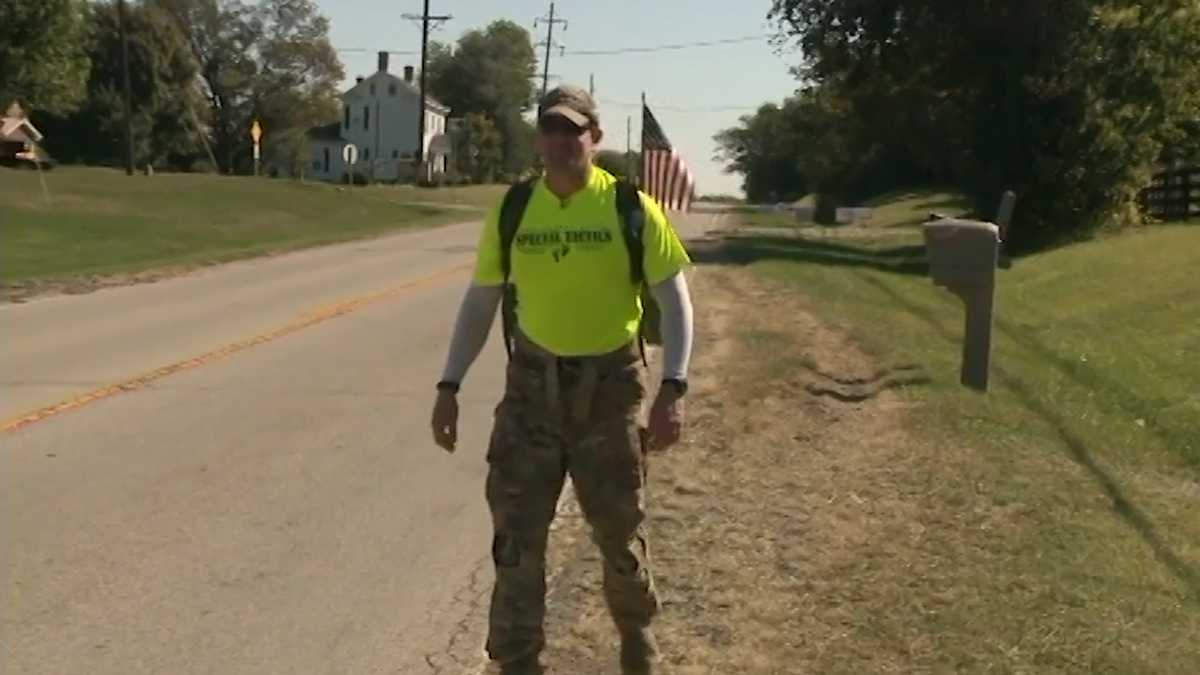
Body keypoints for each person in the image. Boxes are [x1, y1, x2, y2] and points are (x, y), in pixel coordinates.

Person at [430, 84, 695, 675]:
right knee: (517, 538)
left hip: (610, 390)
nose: (560, 140)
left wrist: (673, 388)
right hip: (531, 389)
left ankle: (636, 639)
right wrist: (448, 385)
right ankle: (519, 662)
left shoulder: (628, 206)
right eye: (550, 128)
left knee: (619, 532)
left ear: (594, 140)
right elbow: (480, 302)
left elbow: (674, 302)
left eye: (573, 130)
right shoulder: (516, 207)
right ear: (539, 138)